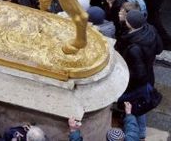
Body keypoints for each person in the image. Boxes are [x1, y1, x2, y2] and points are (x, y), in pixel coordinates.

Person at [117, 10, 163, 139]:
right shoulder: (151, 30)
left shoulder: (134, 48)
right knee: (139, 102)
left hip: (138, 82)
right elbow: (159, 49)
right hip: (149, 74)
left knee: (136, 105)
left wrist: (124, 77)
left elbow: (139, 74)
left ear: (130, 24)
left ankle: (141, 131)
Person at [68, 102, 139, 141]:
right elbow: (132, 129)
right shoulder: (131, 139)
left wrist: (74, 130)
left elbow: (132, 129)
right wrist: (129, 113)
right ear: (124, 136)